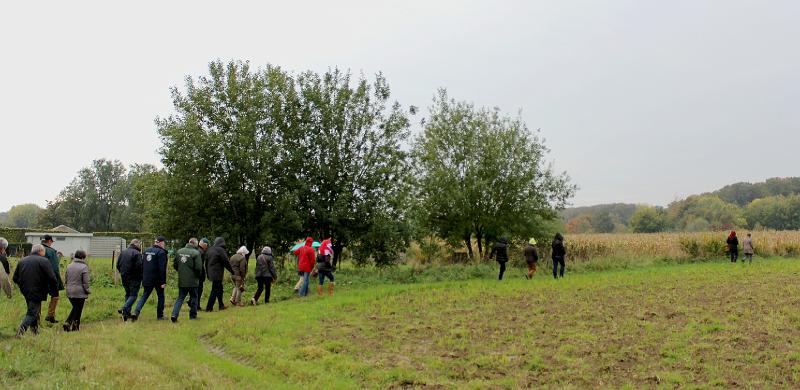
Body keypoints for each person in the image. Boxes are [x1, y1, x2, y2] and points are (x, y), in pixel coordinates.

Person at [12, 244, 58, 336]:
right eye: (44, 251)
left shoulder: (22, 260)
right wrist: (54, 291)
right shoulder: (44, 261)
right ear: (40, 251)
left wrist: (22, 286)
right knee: (32, 312)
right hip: (38, 290)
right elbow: (52, 278)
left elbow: (15, 278)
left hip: (25, 290)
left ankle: (35, 332)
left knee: (33, 310)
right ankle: (20, 332)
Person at [131, 236, 168, 321]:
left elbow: (143, 265)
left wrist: (143, 277)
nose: (164, 245)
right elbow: (162, 268)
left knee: (144, 295)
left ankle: (136, 312)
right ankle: (160, 316)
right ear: (161, 243)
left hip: (147, 278)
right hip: (158, 279)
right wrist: (163, 281)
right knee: (161, 296)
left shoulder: (146, 251)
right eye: (164, 243)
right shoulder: (161, 252)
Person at [171, 238, 203, 322]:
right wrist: (198, 276)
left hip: (182, 280)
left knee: (180, 298)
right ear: (195, 244)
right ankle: (193, 316)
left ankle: (174, 314)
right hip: (193, 281)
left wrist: (181, 271)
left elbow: (175, 265)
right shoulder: (196, 253)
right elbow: (199, 268)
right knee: (194, 297)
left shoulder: (179, 251)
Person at [63, 250, 91, 332]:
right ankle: (74, 326)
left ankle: (68, 323)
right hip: (80, 291)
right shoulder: (84, 267)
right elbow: (85, 281)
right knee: (78, 309)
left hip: (69, 290)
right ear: (83, 257)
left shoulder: (69, 266)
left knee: (76, 308)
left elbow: (66, 279)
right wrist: (88, 290)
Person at [116, 239, 143, 321]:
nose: (140, 246)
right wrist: (140, 275)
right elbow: (139, 266)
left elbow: (117, 264)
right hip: (134, 277)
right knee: (133, 295)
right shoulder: (137, 253)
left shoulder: (123, 252)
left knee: (128, 294)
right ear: (136, 244)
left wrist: (122, 272)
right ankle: (124, 308)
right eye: (139, 244)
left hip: (124, 276)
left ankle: (126, 314)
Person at [205, 237, 234, 312]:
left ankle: (221, 305)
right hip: (217, 273)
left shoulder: (210, 250)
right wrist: (232, 271)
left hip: (211, 272)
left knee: (219, 289)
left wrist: (207, 273)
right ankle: (209, 308)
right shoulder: (221, 250)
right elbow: (226, 261)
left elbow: (206, 263)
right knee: (214, 290)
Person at [42, 234, 64, 324]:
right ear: (49, 241)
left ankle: (36, 318)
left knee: (38, 298)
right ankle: (50, 316)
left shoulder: (37, 249)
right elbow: (55, 267)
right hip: (51, 277)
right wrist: (57, 280)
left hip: (39, 277)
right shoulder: (51, 251)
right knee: (55, 296)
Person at [188, 238, 209, 311]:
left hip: (191, 274)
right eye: (207, 246)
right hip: (198, 275)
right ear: (204, 245)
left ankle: (192, 302)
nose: (207, 247)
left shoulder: (195, 250)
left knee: (194, 290)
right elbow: (200, 265)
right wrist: (202, 275)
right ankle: (196, 305)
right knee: (199, 290)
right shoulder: (201, 252)